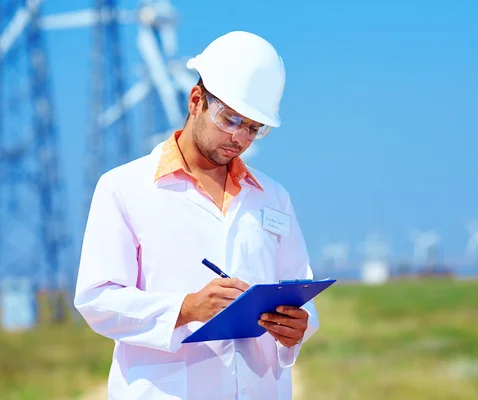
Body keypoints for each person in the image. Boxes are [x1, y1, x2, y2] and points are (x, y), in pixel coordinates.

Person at [74, 30, 319, 400]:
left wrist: (297, 326)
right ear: (195, 101)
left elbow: (299, 289)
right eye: (230, 119)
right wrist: (186, 308)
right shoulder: (124, 187)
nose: (239, 138)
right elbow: (97, 300)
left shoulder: (274, 198)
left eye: (254, 128)